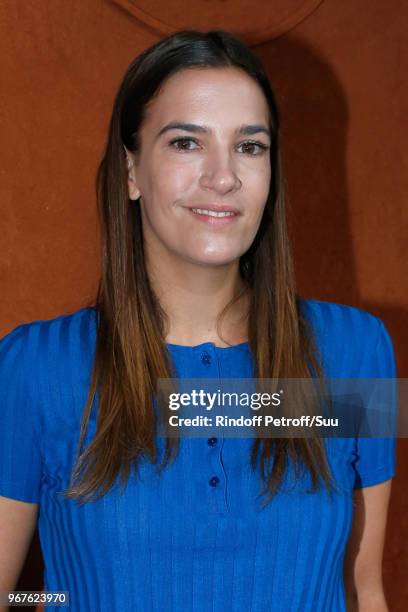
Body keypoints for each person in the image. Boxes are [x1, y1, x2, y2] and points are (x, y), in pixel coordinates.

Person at [0, 30, 397, 612]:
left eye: (250, 146)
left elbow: (364, 589)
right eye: (187, 143)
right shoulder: (33, 367)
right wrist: (65, 598)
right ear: (132, 170)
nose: (223, 176)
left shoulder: (357, 351)